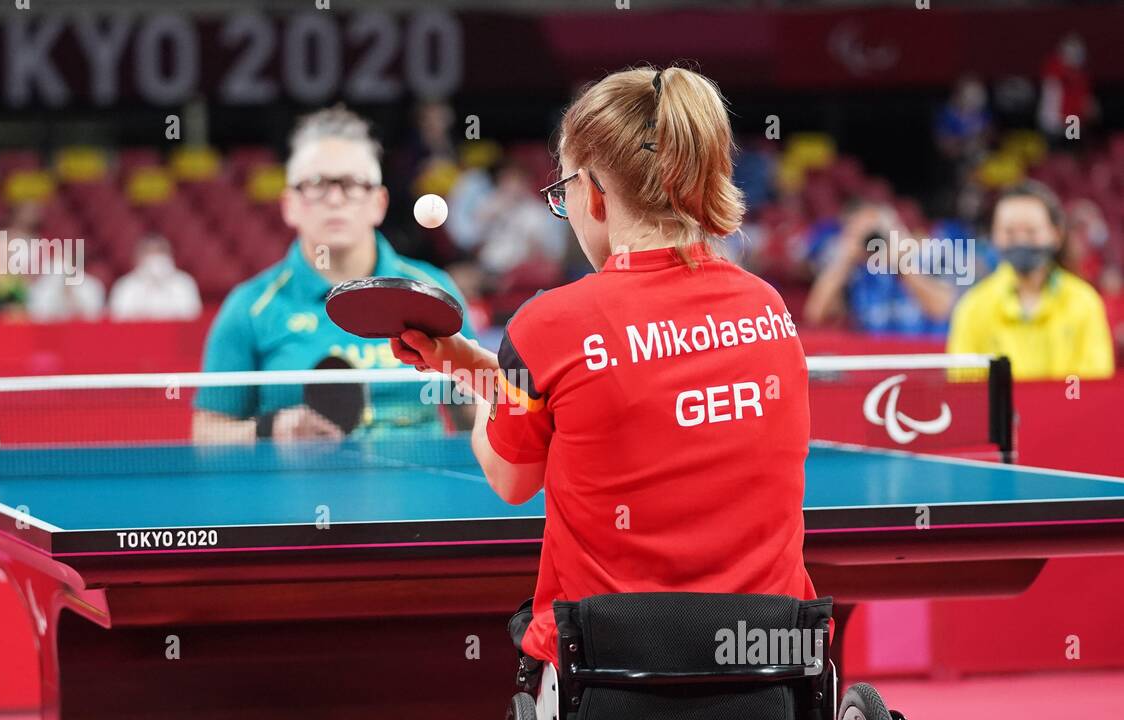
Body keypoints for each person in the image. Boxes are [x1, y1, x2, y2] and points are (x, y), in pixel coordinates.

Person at [390, 66, 815, 666]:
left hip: (616, 673)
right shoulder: (767, 309)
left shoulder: (548, 325)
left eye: (563, 190)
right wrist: (472, 364)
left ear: (592, 191)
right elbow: (604, 394)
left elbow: (512, 479)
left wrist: (475, 388)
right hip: (767, 665)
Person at [193, 105, 476, 443]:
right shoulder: (250, 307)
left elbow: (478, 417)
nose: (335, 199)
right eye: (317, 184)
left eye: (352, 184)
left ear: (379, 202)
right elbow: (206, 434)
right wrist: (269, 430)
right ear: (290, 204)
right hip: (294, 492)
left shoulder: (432, 291)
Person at [948, 181, 1114, 380]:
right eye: (1009, 232)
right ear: (993, 235)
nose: (1021, 240)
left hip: (1067, 412)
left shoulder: (1084, 302)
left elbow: (1094, 387)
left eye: (1031, 231)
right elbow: (964, 389)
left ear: (1056, 234)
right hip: (998, 413)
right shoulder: (973, 307)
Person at [803, 201, 960, 335]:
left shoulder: (927, 256)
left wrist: (902, 263)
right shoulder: (855, 273)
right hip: (874, 359)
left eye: (875, 234)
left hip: (922, 356)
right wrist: (845, 259)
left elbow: (942, 310)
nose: (872, 243)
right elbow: (815, 315)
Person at [107, 235, 202, 321]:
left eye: (160, 251)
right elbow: (118, 320)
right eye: (149, 252)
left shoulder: (184, 283)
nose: (155, 259)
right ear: (137, 257)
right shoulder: (125, 286)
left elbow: (192, 317)